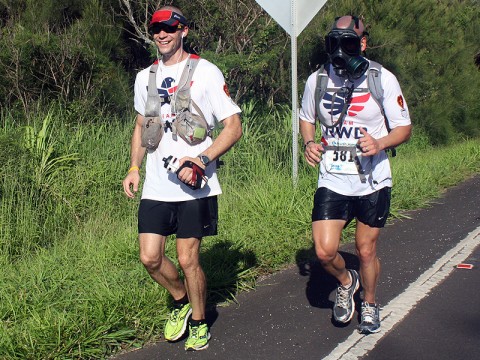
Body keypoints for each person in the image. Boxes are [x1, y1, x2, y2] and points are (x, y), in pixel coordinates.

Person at [122, 5, 242, 351]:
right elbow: (144, 124)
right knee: (150, 257)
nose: (161, 33)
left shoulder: (206, 72)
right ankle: (180, 300)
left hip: (195, 185)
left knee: (188, 259)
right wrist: (134, 167)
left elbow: (233, 127)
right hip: (157, 184)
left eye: (169, 27)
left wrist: (202, 159)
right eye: (156, 27)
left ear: (183, 31)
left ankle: (201, 322)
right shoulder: (145, 76)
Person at [299, 15, 412, 334]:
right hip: (333, 178)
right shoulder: (317, 80)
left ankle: (371, 302)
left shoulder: (382, 79)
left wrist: (380, 142)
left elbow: (404, 128)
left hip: (372, 179)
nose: (340, 50)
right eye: (334, 42)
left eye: (348, 42)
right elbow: (306, 118)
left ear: (362, 43)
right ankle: (348, 282)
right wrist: (309, 142)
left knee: (365, 249)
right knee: (323, 250)